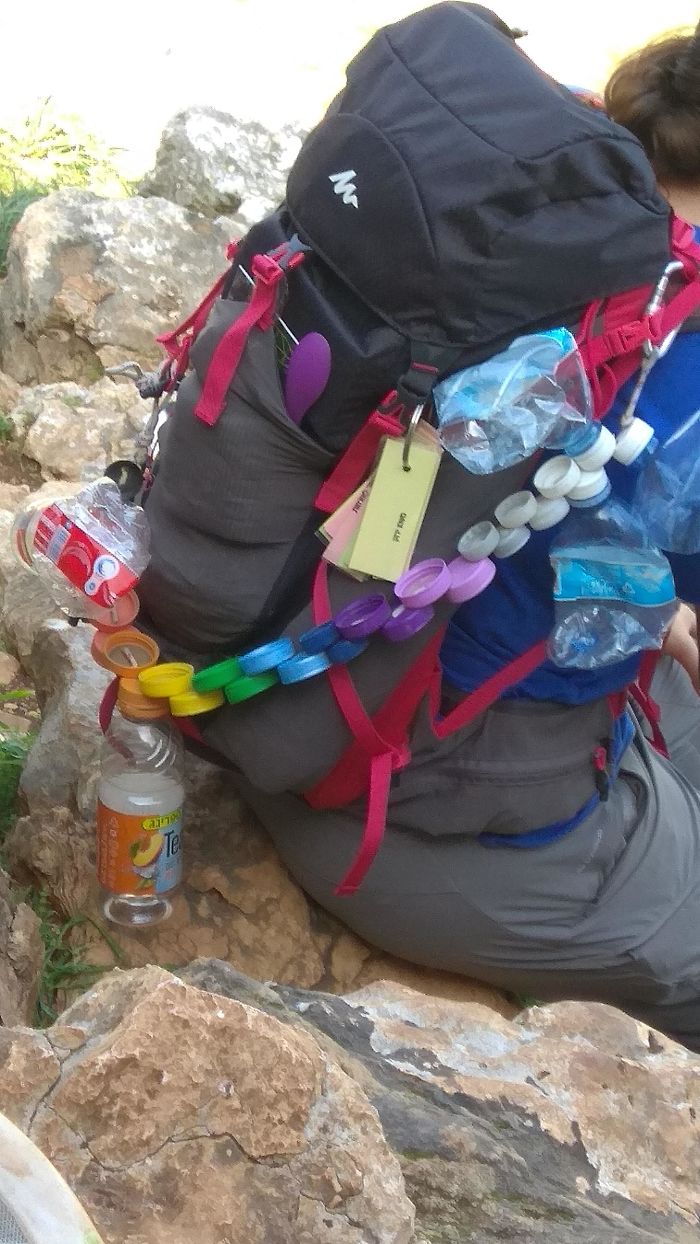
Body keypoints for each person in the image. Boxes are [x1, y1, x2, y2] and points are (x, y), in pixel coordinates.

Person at [237, 22, 700, 1052]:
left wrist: (655, 601)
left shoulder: (496, 212)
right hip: (408, 811)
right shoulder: (685, 350)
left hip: (259, 653)